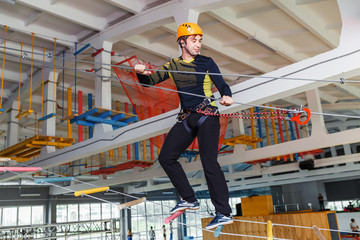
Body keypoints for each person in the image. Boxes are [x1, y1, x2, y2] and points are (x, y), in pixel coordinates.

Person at [135, 22, 234, 230]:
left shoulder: (207, 62)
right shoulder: (172, 65)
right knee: (166, 157)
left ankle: (224, 212)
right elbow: (148, 83)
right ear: (182, 42)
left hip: (208, 115)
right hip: (187, 118)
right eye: (193, 40)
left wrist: (227, 95)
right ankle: (189, 198)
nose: (198, 45)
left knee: (209, 162)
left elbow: (221, 83)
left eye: (199, 41)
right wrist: (140, 73)